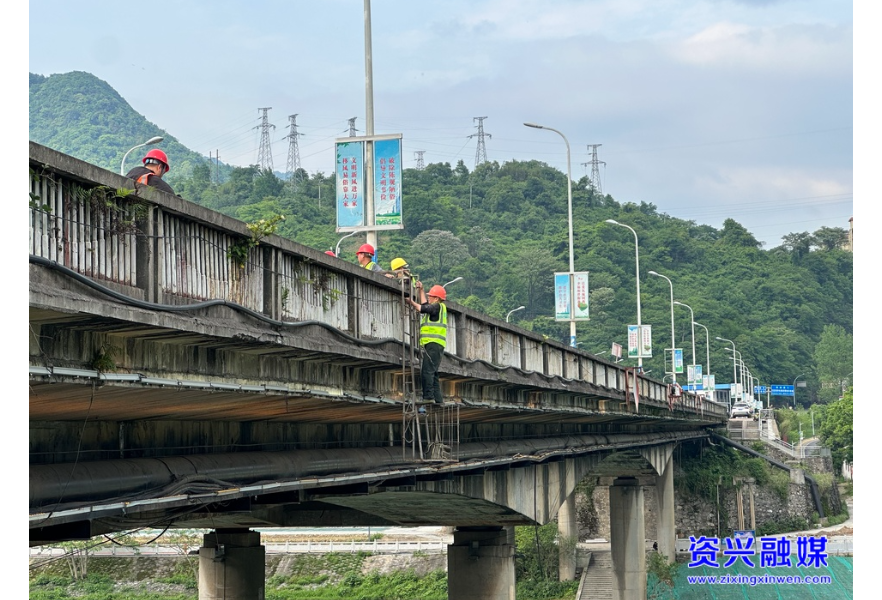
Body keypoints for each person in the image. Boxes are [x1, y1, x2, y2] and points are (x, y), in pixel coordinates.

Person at [407, 281, 448, 404]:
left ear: (436, 298)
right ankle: (438, 399)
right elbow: (425, 305)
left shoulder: (436, 306)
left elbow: (422, 308)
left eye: (430, 296)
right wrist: (421, 290)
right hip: (436, 345)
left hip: (433, 344)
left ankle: (428, 397)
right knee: (433, 373)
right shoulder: (438, 308)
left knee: (427, 371)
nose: (428, 297)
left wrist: (411, 302)